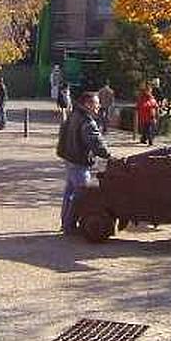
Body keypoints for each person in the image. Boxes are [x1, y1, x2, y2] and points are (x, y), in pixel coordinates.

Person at [56, 91, 113, 235]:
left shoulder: (73, 115)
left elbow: (63, 134)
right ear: (88, 104)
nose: (98, 106)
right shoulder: (87, 121)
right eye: (96, 103)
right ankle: (70, 227)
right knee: (81, 195)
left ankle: (66, 224)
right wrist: (109, 156)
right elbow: (96, 142)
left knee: (70, 193)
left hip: (70, 158)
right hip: (79, 161)